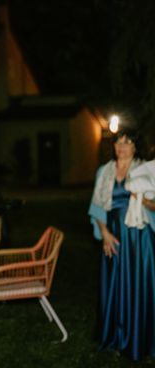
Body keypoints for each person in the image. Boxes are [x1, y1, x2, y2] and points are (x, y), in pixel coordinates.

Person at [88, 129, 155, 361]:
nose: (121, 146)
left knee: (137, 285)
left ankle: (140, 339)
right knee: (115, 284)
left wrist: (142, 198)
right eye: (118, 141)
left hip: (139, 237)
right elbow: (97, 206)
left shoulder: (146, 170)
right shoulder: (104, 171)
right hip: (113, 235)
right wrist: (104, 233)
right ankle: (115, 337)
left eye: (127, 142)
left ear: (136, 147)